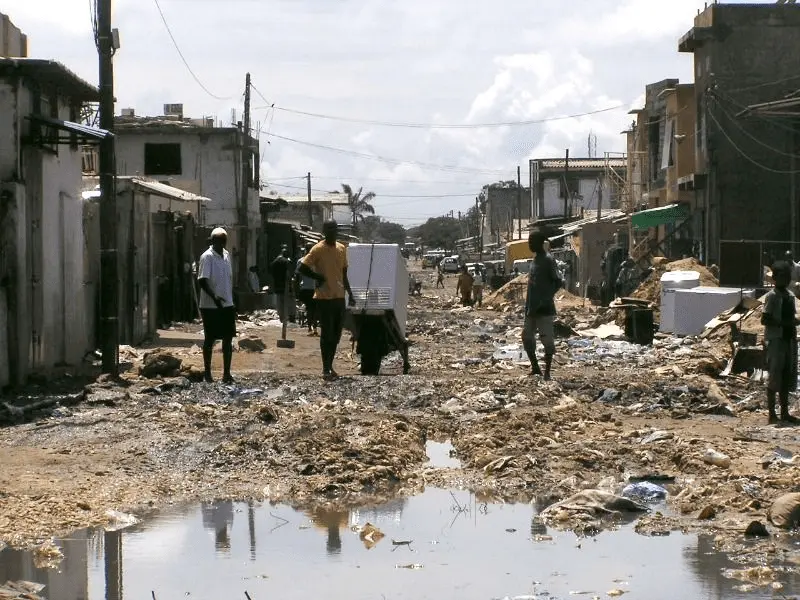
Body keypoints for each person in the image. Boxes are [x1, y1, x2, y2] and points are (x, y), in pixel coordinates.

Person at [298, 221, 356, 380]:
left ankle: (330, 366)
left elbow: (344, 275)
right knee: (327, 333)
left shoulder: (341, 248)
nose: (332, 231)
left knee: (336, 335)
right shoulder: (317, 249)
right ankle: (325, 368)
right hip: (324, 298)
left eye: (334, 229)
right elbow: (302, 268)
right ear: (324, 231)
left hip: (339, 297)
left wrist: (350, 294)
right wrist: (318, 277)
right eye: (329, 229)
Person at [761, 261, 800, 425]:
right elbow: (765, 319)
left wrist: (794, 322)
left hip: (789, 339)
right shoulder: (772, 296)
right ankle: (772, 414)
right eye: (782, 277)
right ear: (775, 278)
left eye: (787, 277)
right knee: (774, 376)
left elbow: (792, 316)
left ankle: (784, 412)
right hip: (776, 340)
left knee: (786, 375)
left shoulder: (790, 296)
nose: (786, 280)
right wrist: (785, 323)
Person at [522, 230, 563, 381]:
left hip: (544, 309)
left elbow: (558, 281)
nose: (529, 245)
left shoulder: (548, 260)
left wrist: (545, 299)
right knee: (527, 337)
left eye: (531, 242)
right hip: (531, 307)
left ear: (539, 243)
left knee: (547, 340)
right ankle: (535, 368)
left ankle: (547, 373)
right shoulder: (535, 260)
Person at [197, 227, 235, 384]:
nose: (222, 244)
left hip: (227, 304)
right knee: (210, 339)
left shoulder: (226, 255)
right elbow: (202, 280)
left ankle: (227, 374)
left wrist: (231, 299)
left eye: (224, 241)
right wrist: (214, 297)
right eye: (219, 241)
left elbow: (228, 279)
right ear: (213, 241)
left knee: (228, 339)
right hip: (210, 306)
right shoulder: (207, 257)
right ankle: (207, 373)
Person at [296, 245, 318, 336]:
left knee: (309, 309)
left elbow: (297, 276)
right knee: (314, 309)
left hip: (305, 288)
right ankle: (314, 328)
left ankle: (309, 328)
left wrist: (297, 290)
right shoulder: (316, 261)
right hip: (314, 288)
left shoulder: (301, 261)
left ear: (305, 250)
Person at [270, 245, 293, 324]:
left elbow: (272, 274)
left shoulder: (274, 262)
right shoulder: (287, 261)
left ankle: (281, 318)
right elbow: (288, 274)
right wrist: (291, 284)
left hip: (277, 285)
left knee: (279, 302)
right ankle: (285, 318)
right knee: (286, 302)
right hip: (285, 285)